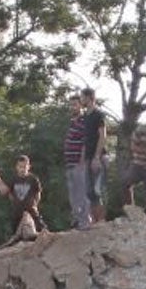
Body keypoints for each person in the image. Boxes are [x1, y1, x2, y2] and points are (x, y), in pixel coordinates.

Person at [60, 92, 91, 229]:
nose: (73, 107)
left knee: (81, 193)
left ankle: (85, 221)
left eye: (75, 104)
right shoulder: (72, 121)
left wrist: (82, 162)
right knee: (73, 195)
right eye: (71, 104)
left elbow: (85, 143)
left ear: (81, 105)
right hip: (69, 163)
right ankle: (77, 220)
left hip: (79, 164)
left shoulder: (84, 121)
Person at [80, 89, 108, 224]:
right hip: (88, 157)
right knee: (88, 191)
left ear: (89, 98)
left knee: (97, 191)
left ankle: (101, 221)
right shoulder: (85, 116)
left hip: (99, 157)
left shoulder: (98, 115)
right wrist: (83, 159)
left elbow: (102, 136)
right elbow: (85, 139)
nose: (81, 99)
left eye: (82, 97)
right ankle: (93, 222)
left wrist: (96, 157)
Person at [7, 154, 48, 243]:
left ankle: (46, 237)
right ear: (16, 167)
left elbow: (38, 193)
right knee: (15, 225)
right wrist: (14, 202)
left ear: (29, 167)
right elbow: (10, 193)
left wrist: (35, 204)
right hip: (18, 209)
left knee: (39, 224)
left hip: (30, 208)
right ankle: (14, 241)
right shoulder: (13, 179)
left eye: (25, 166)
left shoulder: (33, 179)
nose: (23, 169)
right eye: (20, 167)